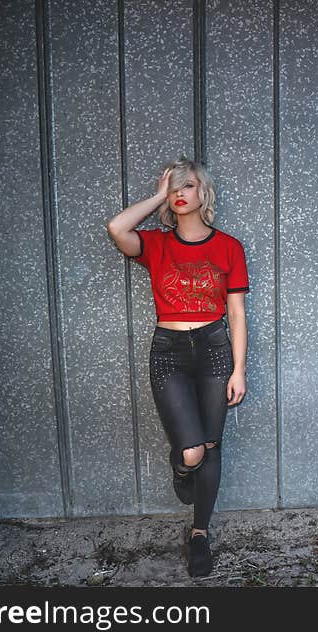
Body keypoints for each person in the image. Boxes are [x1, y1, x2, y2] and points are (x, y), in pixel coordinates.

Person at [106, 156, 249, 578]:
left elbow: (237, 313)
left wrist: (238, 369)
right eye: (174, 188)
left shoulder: (229, 247)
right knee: (192, 450)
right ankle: (181, 464)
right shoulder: (157, 244)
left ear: (203, 193)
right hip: (169, 349)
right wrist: (156, 194)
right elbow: (117, 229)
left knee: (212, 446)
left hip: (214, 349)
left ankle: (199, 533)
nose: (180, 194)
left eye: (188, 186)